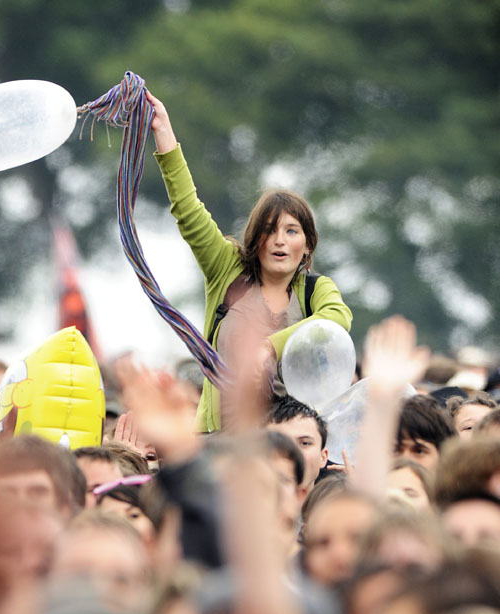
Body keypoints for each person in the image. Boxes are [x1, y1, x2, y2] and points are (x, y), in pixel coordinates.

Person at [147, 90, 352, 433]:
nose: (280, 241)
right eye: (270, 230)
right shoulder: (226, 270)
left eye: (291, 231)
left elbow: (336, 319)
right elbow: (188, 209)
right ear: (255, 238)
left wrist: (270, 348)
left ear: (307, 244)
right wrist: (163, 131)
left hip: (284, 446)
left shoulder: (315, 290)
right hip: (219, 441)